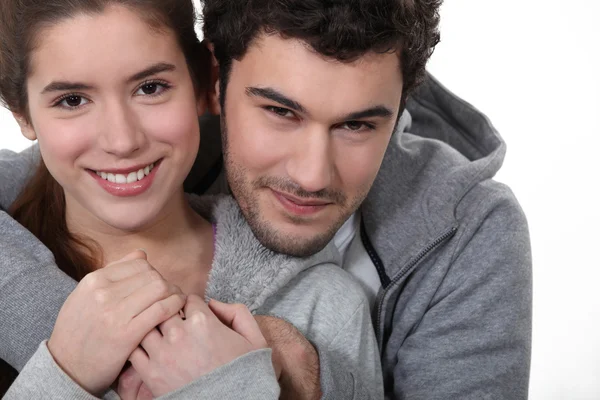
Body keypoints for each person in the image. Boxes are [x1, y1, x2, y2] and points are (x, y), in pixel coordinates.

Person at [0, 0, 533, 398]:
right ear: (216, 83)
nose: (310, 174)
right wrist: (62, 354)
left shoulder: (344, 298)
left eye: (358, 124)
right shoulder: (80, 183)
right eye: (280, 111)